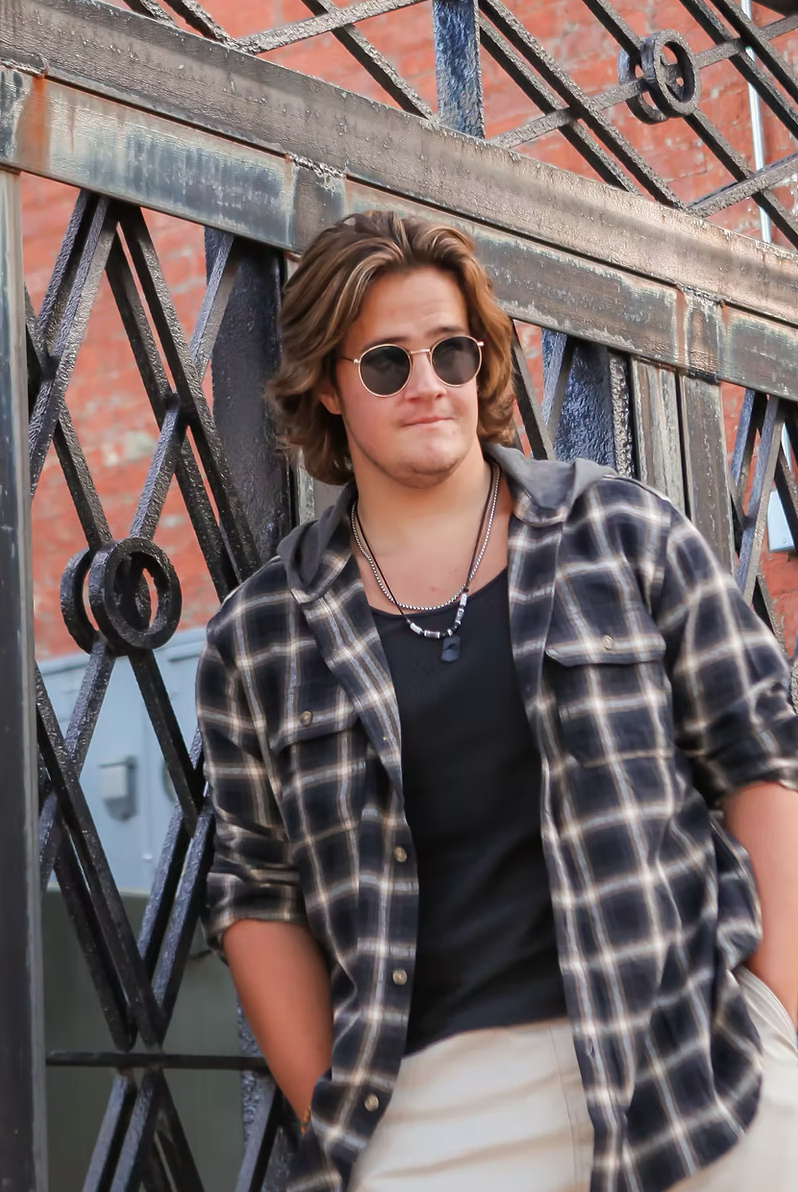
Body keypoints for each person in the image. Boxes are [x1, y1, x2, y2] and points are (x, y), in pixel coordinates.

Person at [195, 210, 798, 1192]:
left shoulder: (623, 534)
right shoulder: (264, 633)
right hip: (441, 1110)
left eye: (452, 351)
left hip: (693, 1063)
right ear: (330, 389)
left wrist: (776, 1018)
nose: (428, 382)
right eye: (387, 363)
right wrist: (349, 1127)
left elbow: (759, 757)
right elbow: (257, 893)